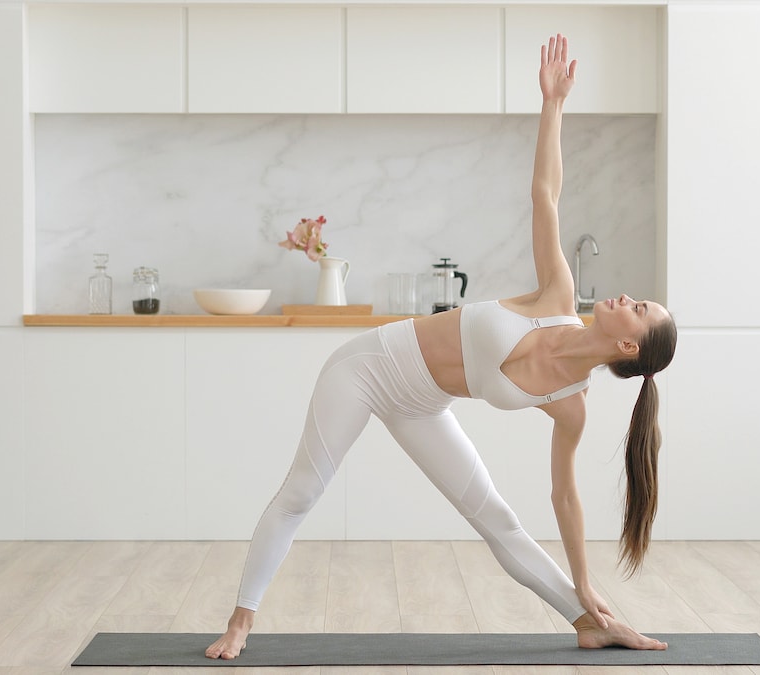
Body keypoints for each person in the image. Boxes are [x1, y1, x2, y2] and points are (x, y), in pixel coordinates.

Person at [206, 34, 677, 660]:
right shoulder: (555, 295)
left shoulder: (571, 403)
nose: (627, 296)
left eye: (639, 309)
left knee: (496, 518)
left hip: (422, 404)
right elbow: (545, 195)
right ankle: (241, 621)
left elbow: (564, 496)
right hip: (368, 367)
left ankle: (585, 621)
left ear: (626, 344)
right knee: (302, 493)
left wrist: (586, 583)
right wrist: (553, 106)